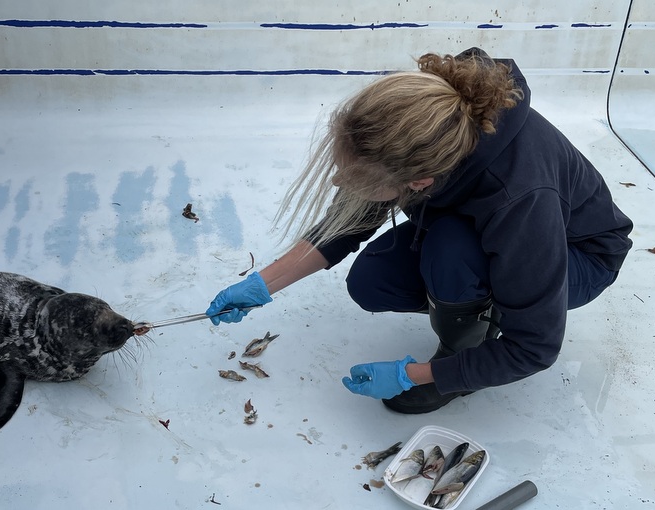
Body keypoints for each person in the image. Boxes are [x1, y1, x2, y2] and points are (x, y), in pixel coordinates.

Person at [205, 48, 633, 414]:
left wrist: (414, 375)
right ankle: (475, 303)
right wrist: (262, 285)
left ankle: (464, 355)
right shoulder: (422, 128)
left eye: (355, 179)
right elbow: (349, 223)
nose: (337, 182)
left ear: (420, 182)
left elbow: (535, 347)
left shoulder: (521, 198)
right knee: (374, 281)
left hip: (577, 257)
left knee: (451, 248)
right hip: (488, 230)